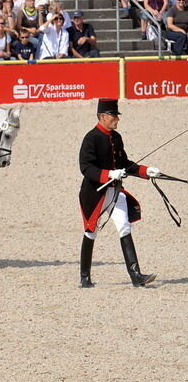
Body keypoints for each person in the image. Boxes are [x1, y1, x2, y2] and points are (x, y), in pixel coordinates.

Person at [78, 99, 163, 288]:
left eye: (117, 115)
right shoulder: (91, 138)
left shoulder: (116, 137)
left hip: (115, 192)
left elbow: (124, 163)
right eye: (114, 115)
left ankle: (136, 276)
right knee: (91, 232)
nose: (117, 119)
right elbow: (86, 167)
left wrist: (146, 171)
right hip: (94, 194)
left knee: (124, 227)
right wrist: (108, 174)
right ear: (102, 116)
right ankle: (84, 277)